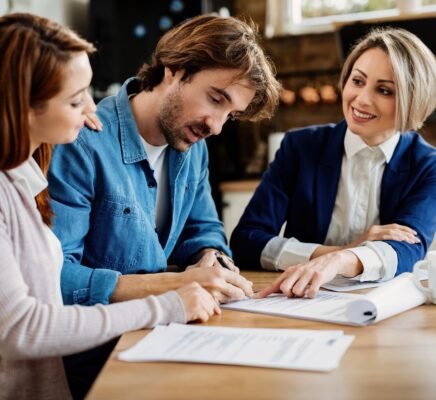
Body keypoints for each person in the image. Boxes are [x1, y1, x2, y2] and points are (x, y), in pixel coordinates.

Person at [0, 13, 220, 400]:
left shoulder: (19, 173)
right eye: (75, 98)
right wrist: (166, 306)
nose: (92, 108)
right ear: (21, 104)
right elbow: (20, 330)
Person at [48, 14, 281, 308]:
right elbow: (55, 277)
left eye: (230, 115)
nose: (217, 127)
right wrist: (172, 284)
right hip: (102, 342)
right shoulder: (82, 143)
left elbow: (203, 230)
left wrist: (211, 257)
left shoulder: (193, 147)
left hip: (163, 325)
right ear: (174, 70)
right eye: (216, 99)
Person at [231, 27, 436, 299]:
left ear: (413, 100)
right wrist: (335, 253)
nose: (361, 99)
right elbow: (246, 240)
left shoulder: (427, 165)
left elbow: (408, 250)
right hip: (298, 299)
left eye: (384, 90)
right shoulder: (300, 147)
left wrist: (342, 262)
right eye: (358, 81)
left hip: (379, 309)